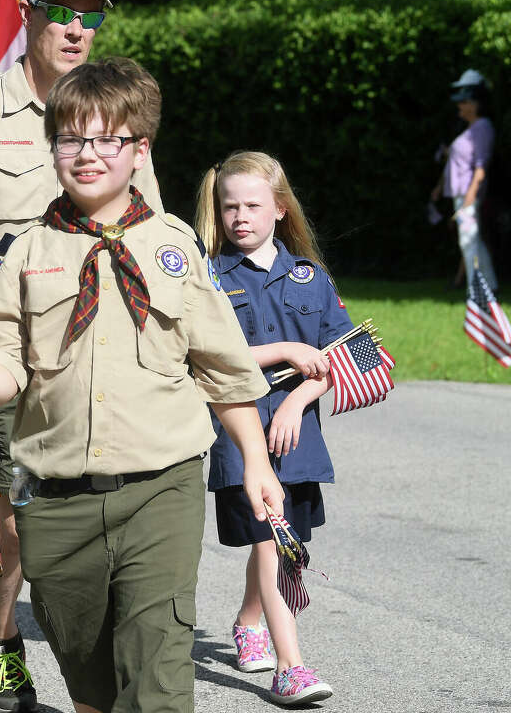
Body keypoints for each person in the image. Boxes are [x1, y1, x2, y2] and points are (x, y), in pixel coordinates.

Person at [0, 57, 284, 713]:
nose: (88, 155)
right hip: (56, 496)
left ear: (138, 150)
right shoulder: (24, 253)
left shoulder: (174, 247)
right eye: (71, 139)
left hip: (161, 487)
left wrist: (257, 463)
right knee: (88, 676)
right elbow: (1, 353)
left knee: (157, 672)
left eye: (107, 140)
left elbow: (224, 368)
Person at [0, 0, 163, 712]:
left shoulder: (117, 112)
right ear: (27, 10)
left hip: (101, 354)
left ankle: (117, 664)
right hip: (2, 355)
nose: (76, 28)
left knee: (113, 508)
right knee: (16, 520)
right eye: (62, 10)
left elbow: (152, 233)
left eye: (91, 14)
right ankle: (2, 639)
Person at [193, 151, 346, 706]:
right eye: (229, 206)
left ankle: (248, 619)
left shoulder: (311, 276)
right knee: (274, 540)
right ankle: (292, 667)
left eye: (253, 205)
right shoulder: (207, 276)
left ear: (280, 209)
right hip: (240, 438)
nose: (240, 216)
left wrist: (296, 401)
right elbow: (206, 355)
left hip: (297, 436)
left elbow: (344, 352)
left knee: (285, 541)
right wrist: (281, 351)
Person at [431, 68, 498, 292]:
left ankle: (475, 290)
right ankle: (489, 287)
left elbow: (481, 166)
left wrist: (470, 197)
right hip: (461, 195)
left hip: (468, 195)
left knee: (468, 242)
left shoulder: (482, 128)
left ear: (475, 104)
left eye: (464, 102)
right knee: (473, 241)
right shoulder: (469, 129)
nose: (460, 106)